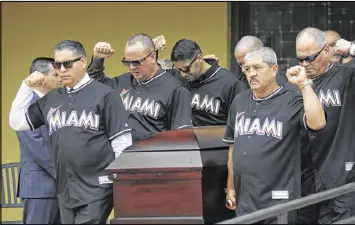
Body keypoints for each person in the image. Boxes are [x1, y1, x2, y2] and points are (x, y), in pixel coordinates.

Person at [9, 40, 132, 224]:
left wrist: (120, 185)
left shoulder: (105, 94)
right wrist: (26, 86)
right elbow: (17, 122)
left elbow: (121, 143)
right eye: (58, 65)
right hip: (65, 190)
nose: (62, 69)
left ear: (83, 62)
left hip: (97, 188)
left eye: (68, 63)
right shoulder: (52, 98)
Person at [223, 47, 326, 224]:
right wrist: (231, 186)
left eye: (257, 67)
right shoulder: (239, 101)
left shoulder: (291, 100)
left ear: (274, 70)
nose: (251, 73)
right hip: (246, 200)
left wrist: (303, 84)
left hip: (279, 202)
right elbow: (233, 147)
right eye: (247, 69)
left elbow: (318, 123)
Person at [285, 27, 355, 224]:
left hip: (342, 174)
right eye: (300, 59)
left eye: (310, 58)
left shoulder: (346, 75)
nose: (305, 64)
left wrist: (350, 48)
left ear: (326, 51)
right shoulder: (294, 82)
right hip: (306, 178)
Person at [87, 33, 193, 143]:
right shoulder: (123, 82)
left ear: (152, 57)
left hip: (152, 156)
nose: (132, 67)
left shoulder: (175, 90)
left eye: (136, 62)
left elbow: (182, 137)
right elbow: (94, 86)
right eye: (127, 62)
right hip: (120, 156)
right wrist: (98, 59)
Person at [16, 57, 61, 224]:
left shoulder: (53, 102)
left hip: (58, 186)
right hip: (39, 186)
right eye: (55, 74)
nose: (60, 78)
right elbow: (37, 146)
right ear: (40, 77)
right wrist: (64, 173)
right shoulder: (26, 103)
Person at [170, 39, 247, 126]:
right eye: (178, 70)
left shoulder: (230, 84)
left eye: (187, 69)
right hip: (185, 137)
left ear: (199, 58)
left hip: (216, 138)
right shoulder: (177, 78)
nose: (183, 74)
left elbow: (241, 124)